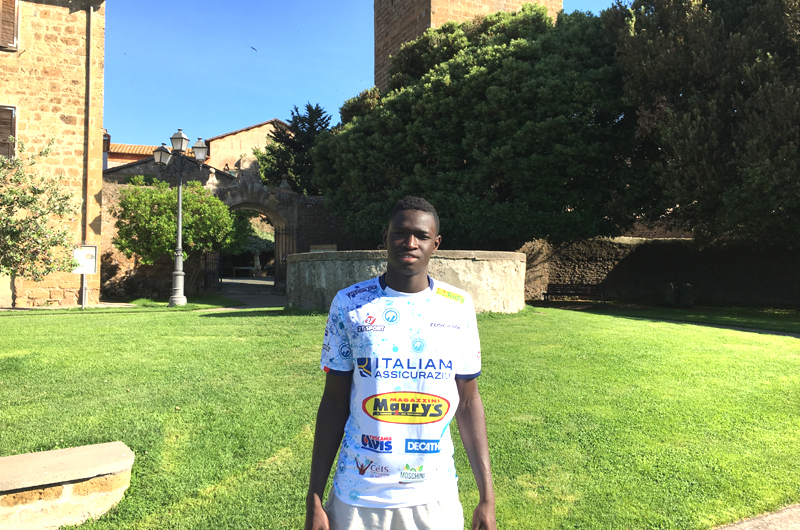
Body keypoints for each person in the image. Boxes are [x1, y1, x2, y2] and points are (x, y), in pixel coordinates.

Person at [305, 196, 496, 530]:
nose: (410, 243)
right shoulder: (349, 304)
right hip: (358, 494)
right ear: (385, 236)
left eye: (421, 236)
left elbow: (468, 402)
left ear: (436, 243)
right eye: (400, 233)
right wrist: (315, 498)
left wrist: (487, 498)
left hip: (434, 495)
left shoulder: (457, 307)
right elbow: (333, 402)